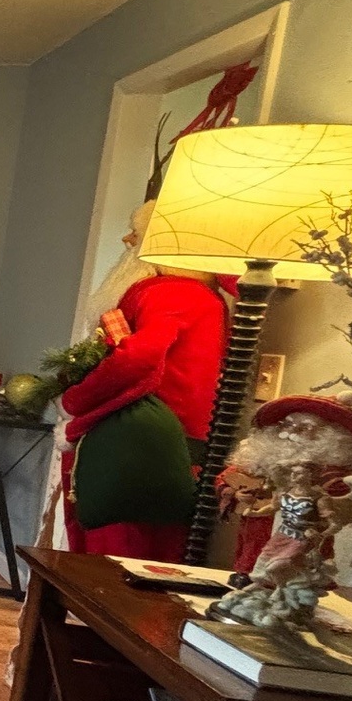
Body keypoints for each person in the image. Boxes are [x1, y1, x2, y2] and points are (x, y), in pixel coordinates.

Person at [61, 201, 230, 560]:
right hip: (175, 447)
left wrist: (75, 401)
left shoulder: (171, 292)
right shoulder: (203, 298)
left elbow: (138, 359)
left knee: (112, 561)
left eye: (136, 233)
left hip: (138, 449)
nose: (127, 240)